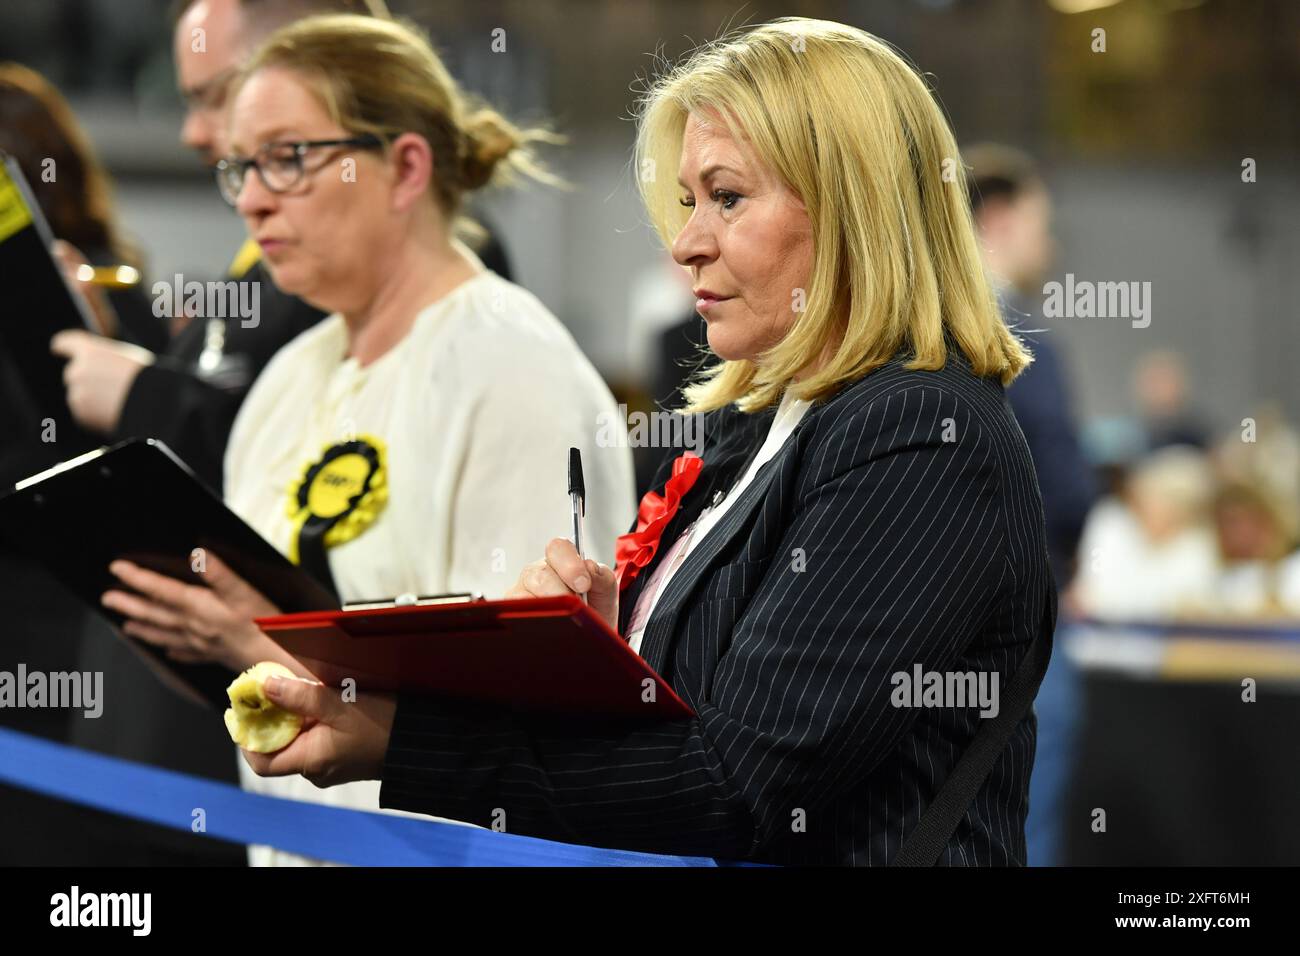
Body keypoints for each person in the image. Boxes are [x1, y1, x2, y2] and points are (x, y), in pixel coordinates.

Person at [240, 17, 1057, 866]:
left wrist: (400, 742)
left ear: (854, 208)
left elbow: (737, 785)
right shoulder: (762, 425)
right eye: (687, 201)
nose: (686, 241)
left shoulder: (921, 435)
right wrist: (592, 655)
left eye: (728, 198)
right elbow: (694, 732)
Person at [100, 13, 635, 866]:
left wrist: (258, 642)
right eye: (240, 167)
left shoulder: (512, 370)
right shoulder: (286, 382)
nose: (250, 196)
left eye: (288, 157)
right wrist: (196, 642)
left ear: (405, 167)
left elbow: (531, 719)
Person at [965, 143, 1095, 865]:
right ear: (1005, 217)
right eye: (1043, 224)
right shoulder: (1021, 338)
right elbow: (1068, 493)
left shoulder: (904, 338)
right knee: (1023, 838)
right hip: (1025, 644)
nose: (1049, 246)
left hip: (932, 649)